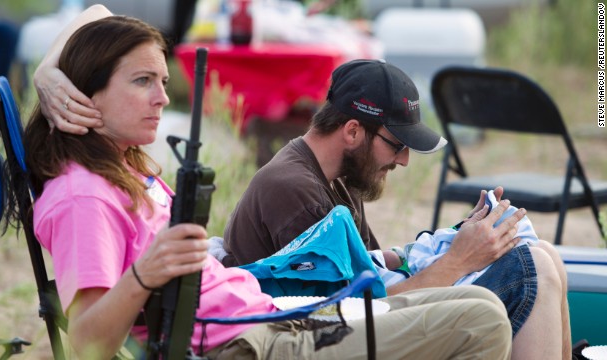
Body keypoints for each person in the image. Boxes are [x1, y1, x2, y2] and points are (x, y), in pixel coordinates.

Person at [25, 5, 514, 359]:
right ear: (88, 91)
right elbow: (85, 344)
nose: (160, 98)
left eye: (163, 82)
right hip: (254, 344)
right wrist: (144, 275)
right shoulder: (83, 195)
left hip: (270, 315)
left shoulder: (121, 168)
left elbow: (98, 12)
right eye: (141, 81)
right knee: (483, 319)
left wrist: (47, 72)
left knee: (477, 300)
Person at [216, 60, 570, 359]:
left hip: (349, 325)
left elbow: (374, 273)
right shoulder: (295, 191)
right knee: (531, 267)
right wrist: (460, 260)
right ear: (353, 131)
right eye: (397, 144)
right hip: (322, 338)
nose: (404, 160)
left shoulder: (336, 177)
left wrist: (453, 242)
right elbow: (354, 315)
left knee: (544, 254)